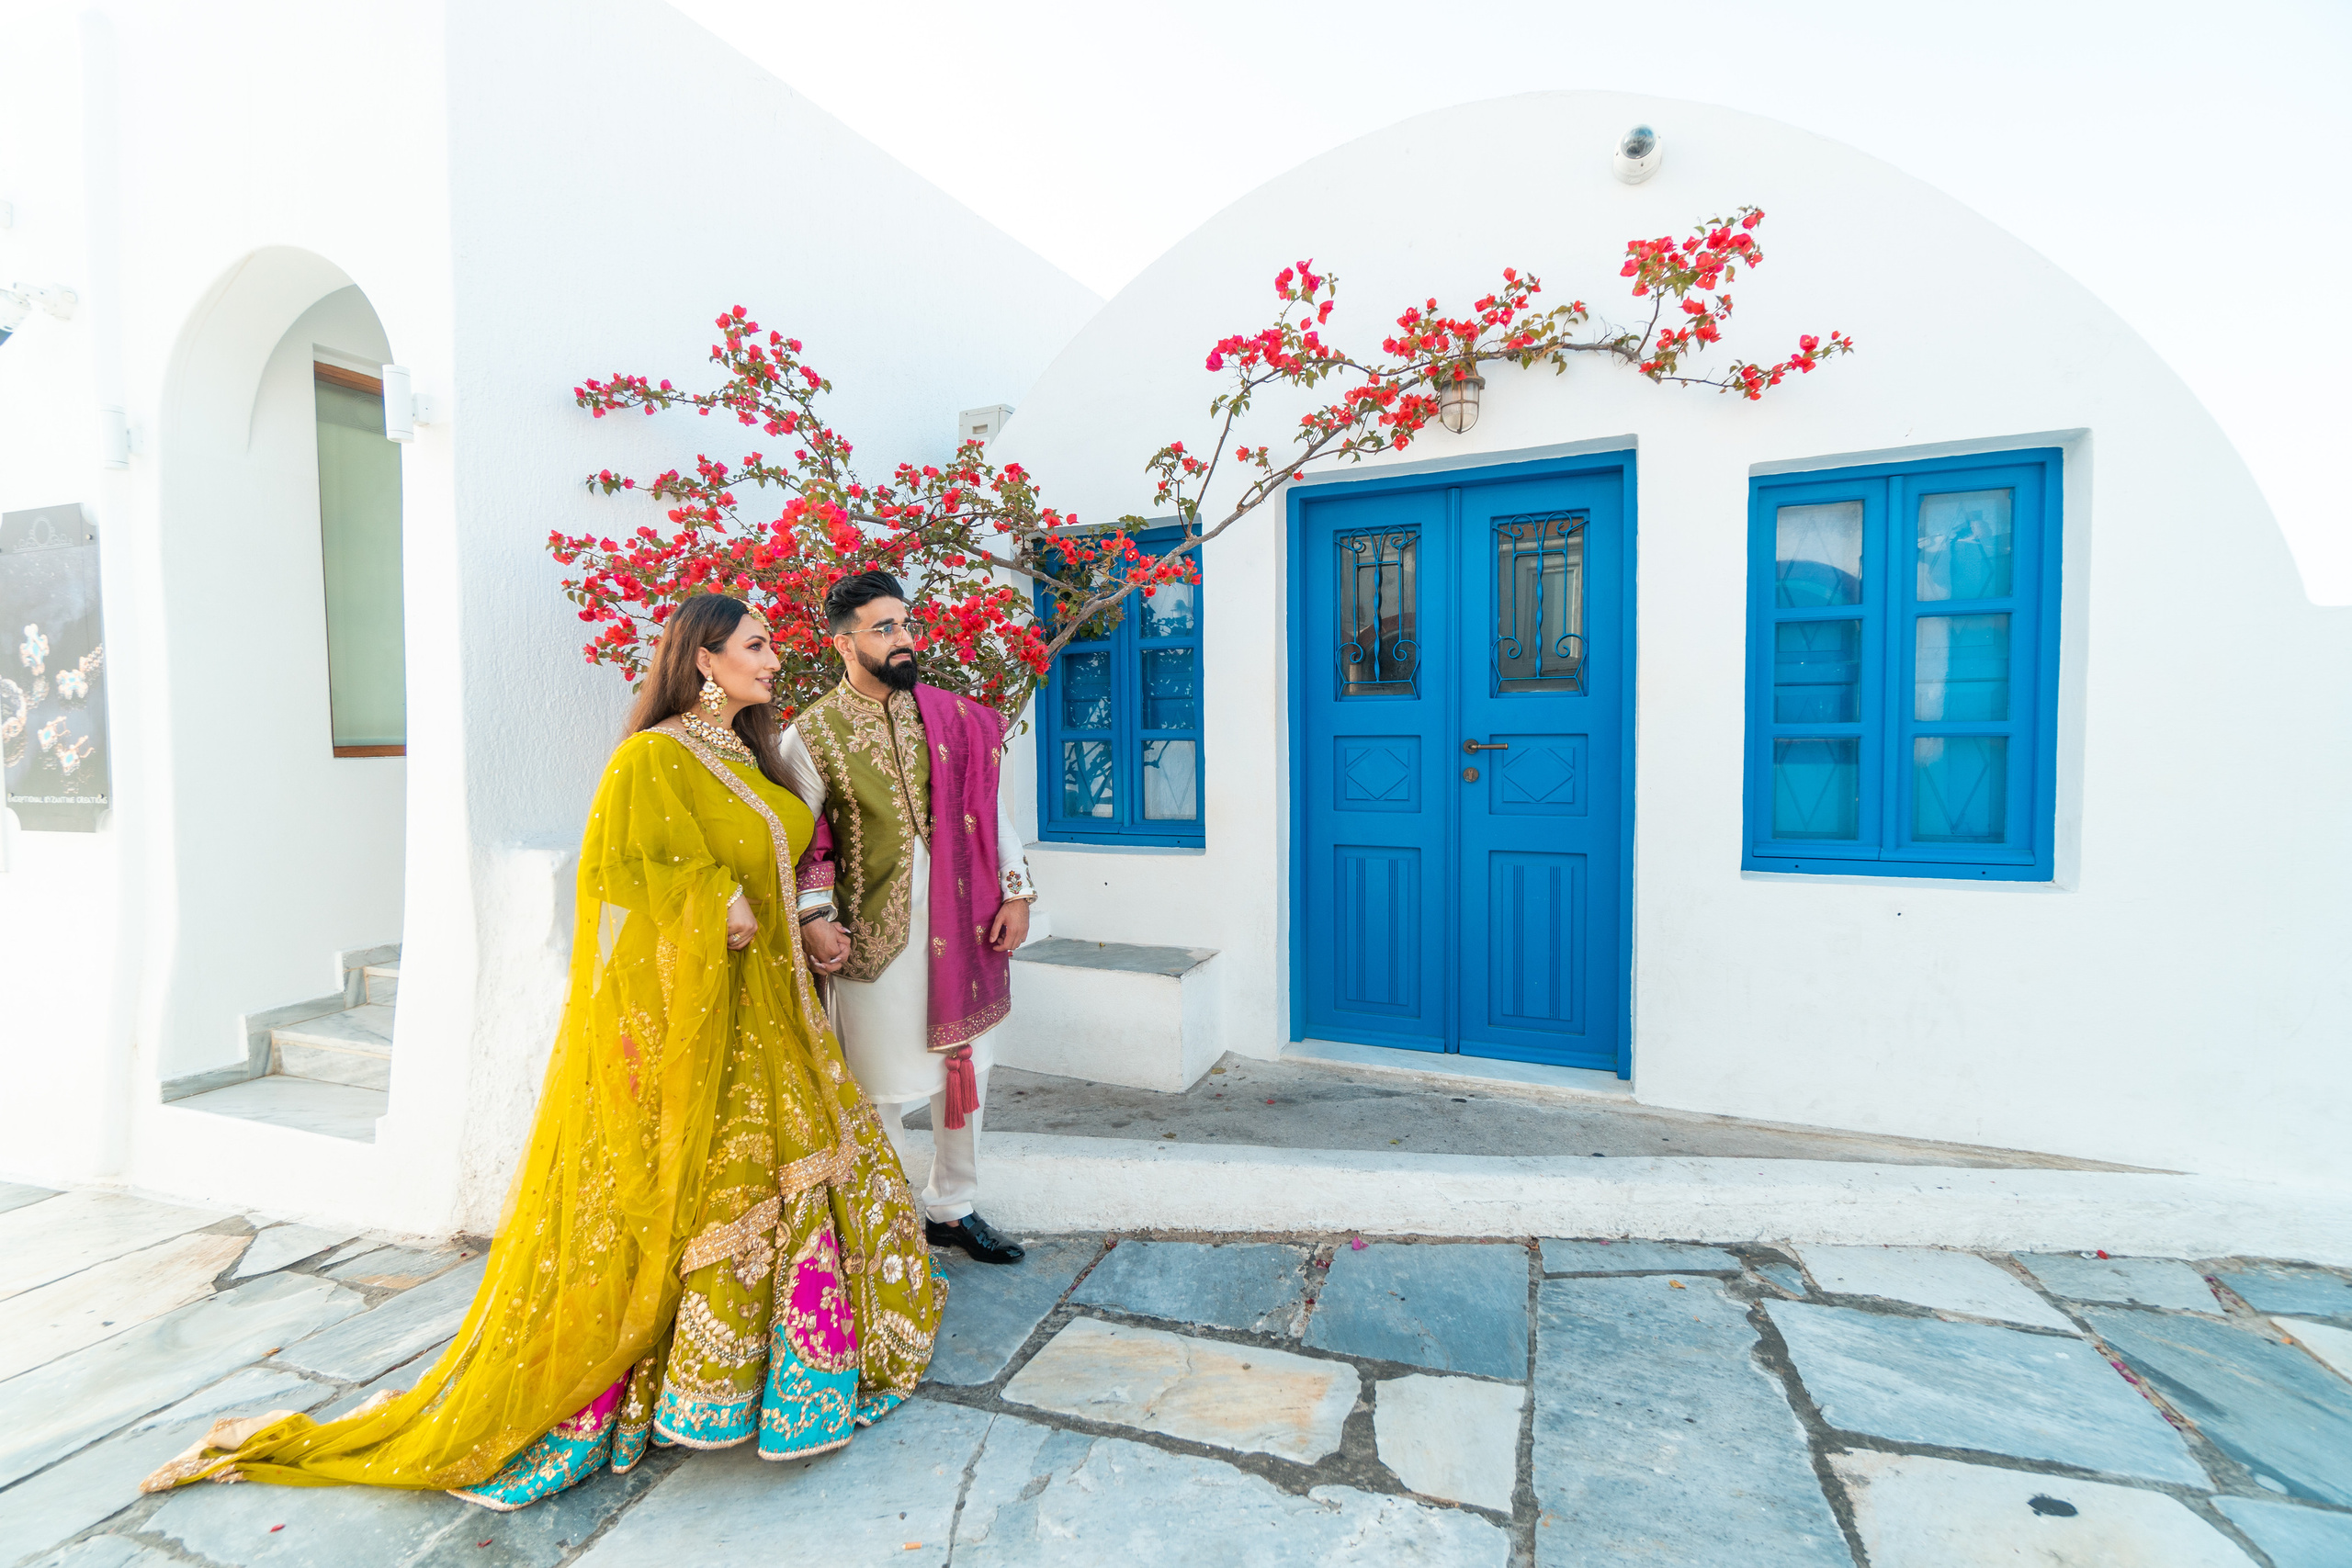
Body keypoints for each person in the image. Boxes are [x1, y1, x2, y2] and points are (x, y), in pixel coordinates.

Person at [141, 594, 943, 1509]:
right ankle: (701, 1389)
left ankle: (785, 1386)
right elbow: (617, 871)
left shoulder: (750, 752)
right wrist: (708, 895)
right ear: (703, 661)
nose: (773, 662)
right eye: (756, 648)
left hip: (781, 1010)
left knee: (803, 1173)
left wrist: (809, 924)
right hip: (703, 1019)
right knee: (720, 1188)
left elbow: (786, 857)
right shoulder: (655, 756)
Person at [782, 570, 1035, 1266]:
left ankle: (953, 1207)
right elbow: (802, 839)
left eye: (906, 624)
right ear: (842, 642)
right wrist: (812, 918)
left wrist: (1015, 891)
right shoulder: (812, 735)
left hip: (967, 922)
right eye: (884, 628)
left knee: (968, 1074)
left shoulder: (952, 717)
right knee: (879, 1087)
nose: (904, 639)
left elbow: (992, 810)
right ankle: (888, 1229)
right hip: (874, 940)